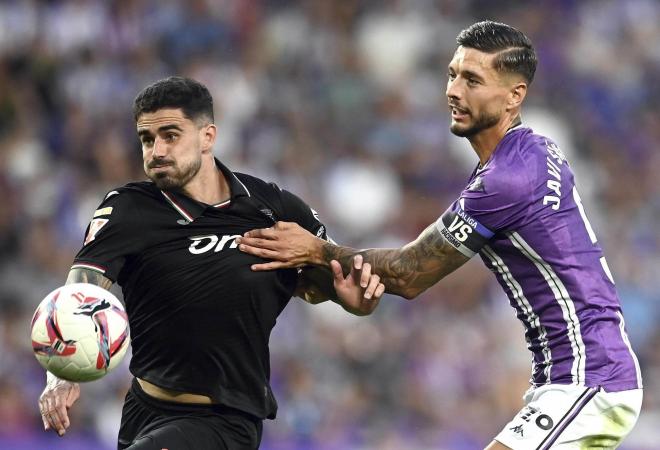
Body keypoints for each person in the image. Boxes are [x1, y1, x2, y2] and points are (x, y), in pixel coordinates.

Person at [235, 21, 643, 449]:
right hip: (578, 375)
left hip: (589, 378)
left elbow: (409, 274)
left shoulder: (508, 179)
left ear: (514, 96)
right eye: (452, 75)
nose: (453, 91)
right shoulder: (532, 150)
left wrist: (317, 250)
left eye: (472, 80)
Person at [37, 76, 385, 450]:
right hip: (143, 411)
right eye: (147, 139)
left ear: (207, 136)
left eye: (171, 136)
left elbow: (328, 281)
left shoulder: (272, 208)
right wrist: (61, 372)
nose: (156, 151)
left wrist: (351, 300)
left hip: (226, 421)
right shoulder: (128, 208)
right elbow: (83, 287)